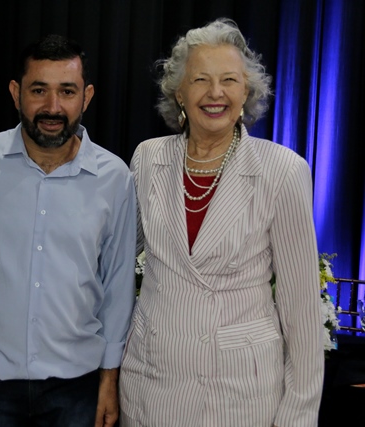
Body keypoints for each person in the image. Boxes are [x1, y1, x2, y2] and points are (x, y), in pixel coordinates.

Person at [119, 18, 324, 427]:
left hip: (241, 396)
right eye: (200, 80)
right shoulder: (147, 158)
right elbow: (118, 260)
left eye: (229, 79)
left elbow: (301, 309)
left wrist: (298, 415)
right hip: (150, 385)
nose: (215, 93)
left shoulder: (282, 170)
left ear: (246, 91)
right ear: (179, 92)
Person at [0, 34, 136, 427]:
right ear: (15, 92)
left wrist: (109, 378)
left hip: (77, 386)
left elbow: (117, 285)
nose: (52, 107)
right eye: (39, 90)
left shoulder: (114, 178)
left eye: (67, 91)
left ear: (87, 96)